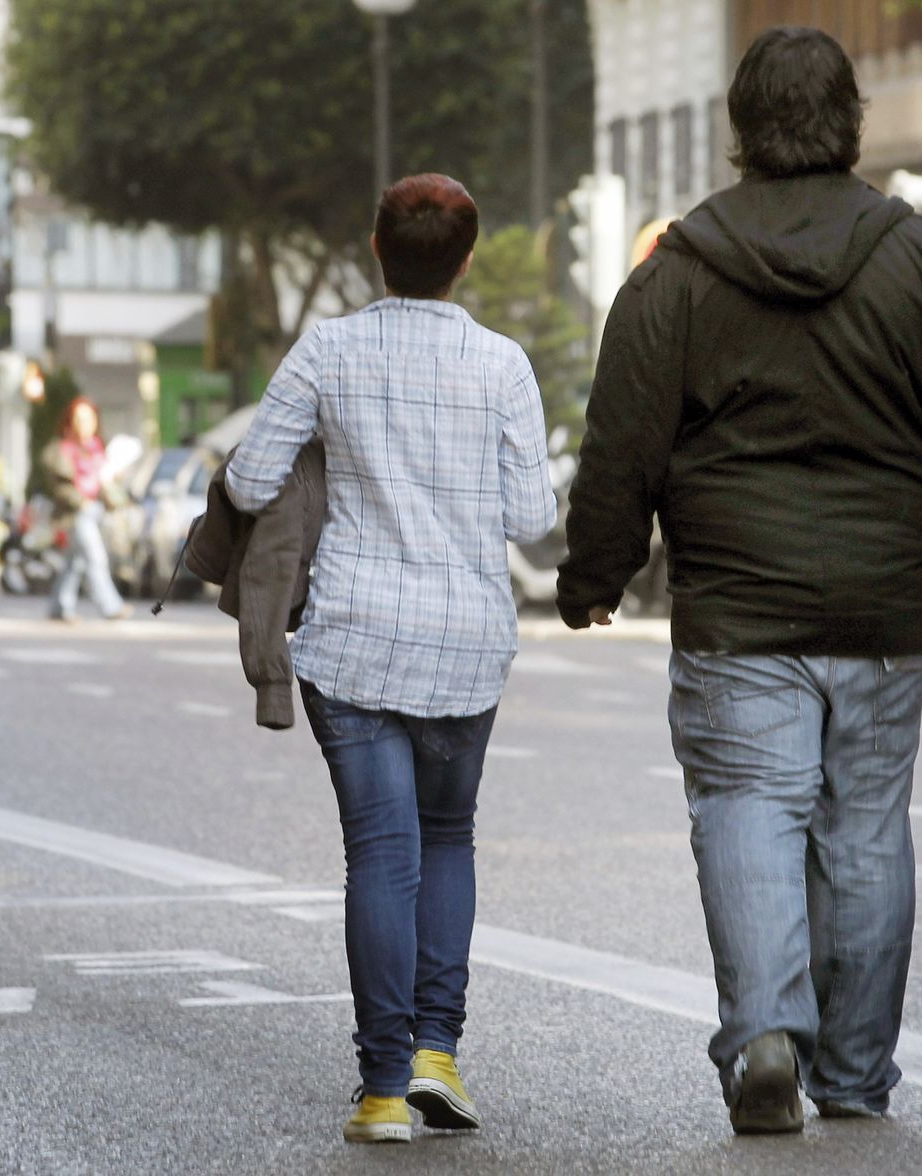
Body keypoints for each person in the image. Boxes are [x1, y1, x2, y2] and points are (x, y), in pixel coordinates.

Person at [557, 28, 922, 1134]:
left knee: (748, 809)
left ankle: (766, 1039)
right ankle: (855, 1073)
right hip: (882, 609)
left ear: (738, 130)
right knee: (866, 830)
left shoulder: (677, 274)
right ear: (852, 121)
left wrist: (595, 570)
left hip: (736, 614)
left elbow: (621, 442)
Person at [226, 173, 555, 1144]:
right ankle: (436, 1055)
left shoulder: (327, 349)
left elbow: (248, 482)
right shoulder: (502, 365)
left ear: (377, 249)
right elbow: (535, 519)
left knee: (379, 851)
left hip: (354, 637)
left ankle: (380, 1092)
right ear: (464, 256)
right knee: (447, 838)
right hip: (466, 641)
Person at [43, 396, 132, 622]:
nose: (85, 423)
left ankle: (59, 606)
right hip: (76, 514)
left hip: (97, 511)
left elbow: (105, 482)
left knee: (75, 563)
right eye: (79, 419)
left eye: (89, 418)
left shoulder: (99, 449)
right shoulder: (61, 450)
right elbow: (60, 487)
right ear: (70, 421)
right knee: (95, 558)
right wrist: (80, 501)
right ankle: (111, 606)